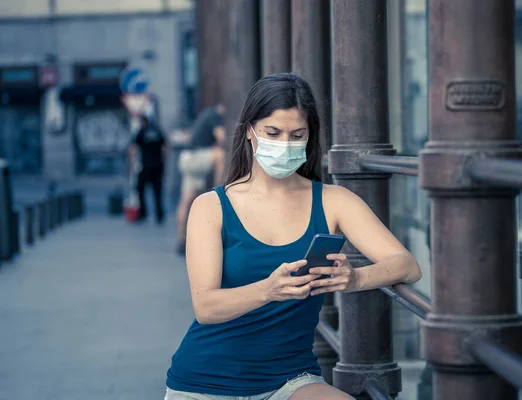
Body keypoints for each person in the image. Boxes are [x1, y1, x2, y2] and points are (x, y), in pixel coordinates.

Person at [164, 73, 422, 400]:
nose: (284, 145)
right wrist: (270, 289)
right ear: (249, 131)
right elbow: (206, 307)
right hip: (205, 381)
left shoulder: (333, 200)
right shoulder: (211, 207)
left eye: (296, 135)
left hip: (291, 380)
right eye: (273, 133)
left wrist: (354, 278)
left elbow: (408, 266)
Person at [175, 104, 226, 255]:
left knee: (186, 200)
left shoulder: (203, 116)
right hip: (195, 158)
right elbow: (221, 138)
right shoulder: (215, 115)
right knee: (220, 155)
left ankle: (181, 241)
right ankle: (220, 192)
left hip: (186, 159)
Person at [129, 115, 167, 224]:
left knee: (140, 189)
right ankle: (159, 215)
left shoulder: (141, 132)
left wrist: (131, 165)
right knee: (158, 192)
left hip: (145, 166)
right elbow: (165, 149)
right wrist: (164, 163)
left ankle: (143, 213)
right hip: (158, 166)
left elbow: (133, 149)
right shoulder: (157, 131)